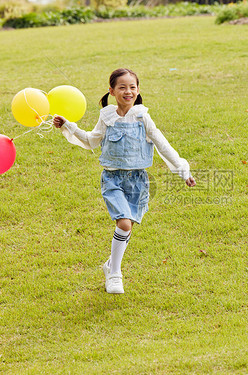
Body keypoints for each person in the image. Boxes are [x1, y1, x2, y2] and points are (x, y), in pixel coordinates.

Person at [53, 68, 196, 294]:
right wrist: (69, 126)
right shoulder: (107, 117)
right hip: (113, 179)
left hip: (138, 182)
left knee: (127, 228)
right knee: (124, 224)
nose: (128, 91)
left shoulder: (143, 117)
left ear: (138, 91)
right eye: (122, 87)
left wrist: (183, 171)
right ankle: (115, 274)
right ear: (111, 91)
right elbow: (91, 141)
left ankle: (110, 264)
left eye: (132, 87)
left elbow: (162, 144)